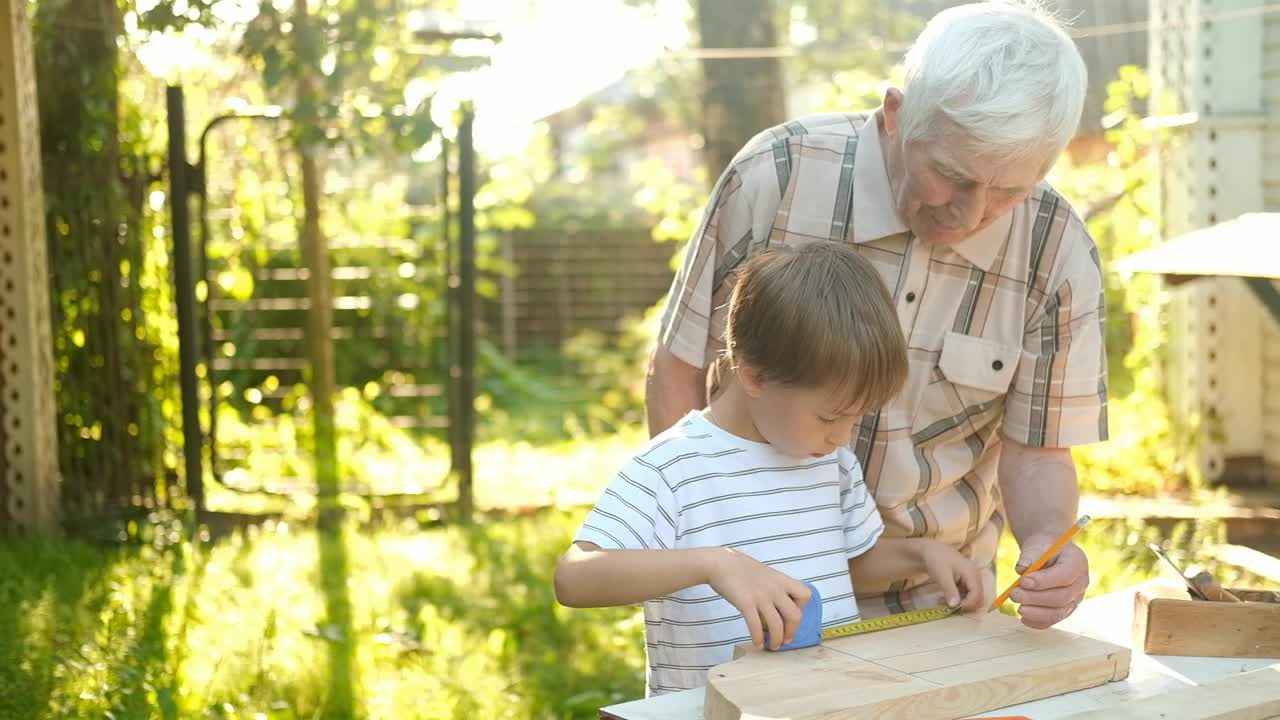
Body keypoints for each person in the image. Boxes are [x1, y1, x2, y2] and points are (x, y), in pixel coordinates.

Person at [647, 0, 1105, 631]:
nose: (970, 215)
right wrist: (704, 556)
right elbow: (679, 368)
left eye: (1008, 193)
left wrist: (1049, 547)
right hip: (755, 592)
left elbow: (1040, 450)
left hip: (938, 601)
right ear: (896, 116)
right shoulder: (776, 176)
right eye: (951, 176)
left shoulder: (1057, 248)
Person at [555, 243, 986, 696]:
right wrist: (714, 564)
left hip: (824, 704)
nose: (842, 436)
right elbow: (575, 577)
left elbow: (849, 560)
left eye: (855, 419)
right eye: (829, 417)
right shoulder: (675, 467)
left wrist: (922, 554)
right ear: (755, 376)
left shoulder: (830, 460)